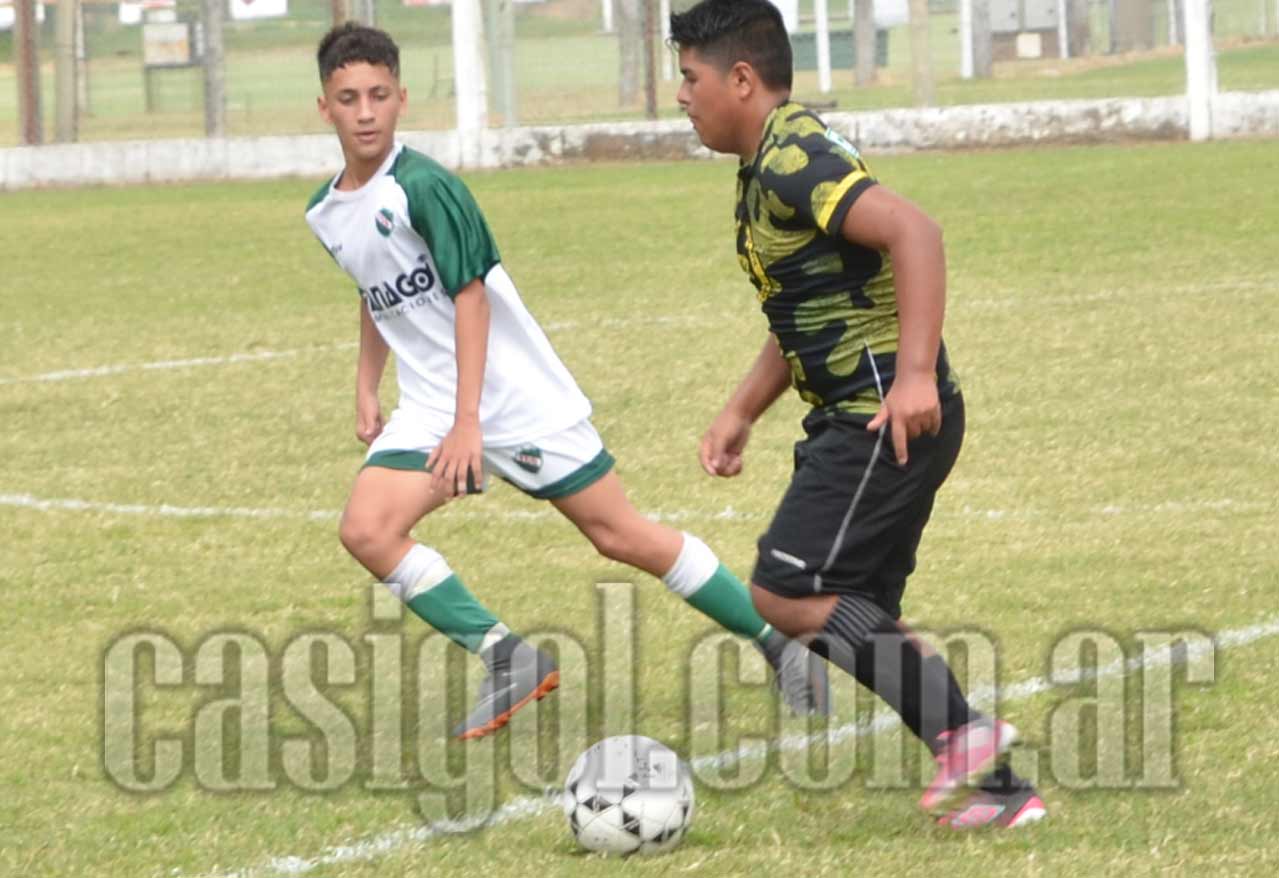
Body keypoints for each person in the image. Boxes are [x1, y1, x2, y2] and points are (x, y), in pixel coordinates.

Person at [303, 22, 828, 741]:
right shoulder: (328, 211)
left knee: (620, 535)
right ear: (324, 107)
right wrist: (367, 385)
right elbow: (374, 288)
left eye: (379, 95)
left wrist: (469, 424)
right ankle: (509, 659)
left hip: (515, 400)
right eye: (349, 99)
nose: (366, 113)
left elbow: (471, 298)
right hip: (434, 406)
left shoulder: (424, 189)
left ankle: (776, 642)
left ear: (402, 99)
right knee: (367, 529)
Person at [670, 0, 1046, 829]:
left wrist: (912, 377)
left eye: (691, 78)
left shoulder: (792, 159)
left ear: (741, 79)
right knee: (855, 610)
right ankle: (1001, 792)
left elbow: (915, 232)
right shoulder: (772, 159)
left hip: (880, 416)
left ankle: (964, 736)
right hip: (866, 411)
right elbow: (812, 306)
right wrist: (740, 410)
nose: (681, 96)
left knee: (785, 591)